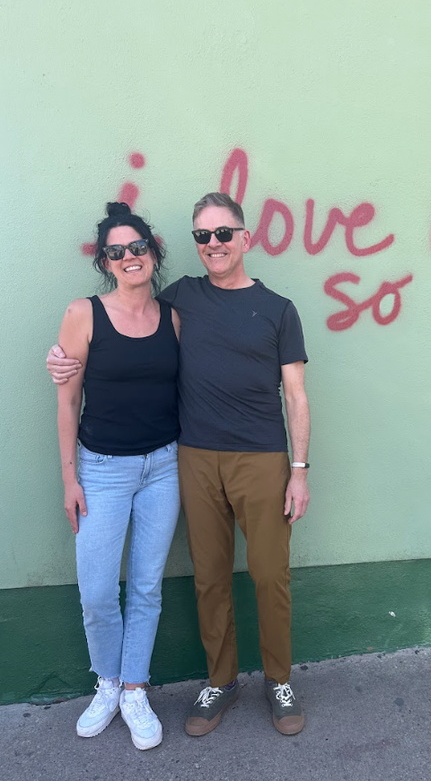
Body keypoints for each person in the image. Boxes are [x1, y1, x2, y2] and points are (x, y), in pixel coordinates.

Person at [50, 192, 311, 737]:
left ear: (245, 237)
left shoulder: (260, 310)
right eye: (202, 236)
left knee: (260, 575)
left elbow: (296, 394)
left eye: (222, 234)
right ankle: (193, 680)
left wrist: (300, 468)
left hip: (232, 459)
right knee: (195, 579)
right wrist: (60, 362)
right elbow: (87, 365)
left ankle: (270, 680)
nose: (213, 244)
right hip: (168, 460)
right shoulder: (173, 301)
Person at [56, 202, 181, 750]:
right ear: (105, 262)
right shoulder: (83, 314)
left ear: (153, 252)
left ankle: (134, 687)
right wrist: (69, 478)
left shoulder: (173, 316)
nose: (130, 257)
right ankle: (106, 680)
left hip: (164, 466)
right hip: (102, 470)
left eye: (138, 247)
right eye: (117, 251)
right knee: (99, 590)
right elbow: (67, 402)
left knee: (148, 586)